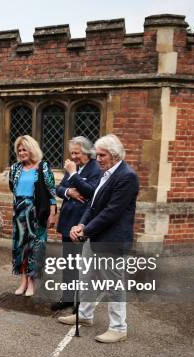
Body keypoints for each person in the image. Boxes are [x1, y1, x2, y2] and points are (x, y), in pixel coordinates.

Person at [58, 134, 139, 343]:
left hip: (111, 240)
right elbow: (93, 206)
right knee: (87, 278)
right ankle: (84, 315)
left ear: (114, 155)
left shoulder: (126, 176)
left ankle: (119, 327)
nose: (98, 158)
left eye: (102, 155)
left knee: (113, 285)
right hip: (94, 237)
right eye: (98, 154)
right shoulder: (106, 173)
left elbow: (111, 212)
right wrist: (81, 225)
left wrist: (85, 231)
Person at [51, 136, 101, 311]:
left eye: (77, 153)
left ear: (87, 152)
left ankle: (80, 302)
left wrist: (73, 175)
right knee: (69, 263)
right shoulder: (74, 166)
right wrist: (68, 192)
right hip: (67, 220)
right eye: (71, 153)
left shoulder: (96, 168)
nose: (73, 156)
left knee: (82, 265)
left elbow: (92, 192)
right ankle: (67, 297)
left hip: (82, 222)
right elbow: (58, 188)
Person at [8, 135, 56, 297]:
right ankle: (23, 281)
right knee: (21, 248)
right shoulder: (15, 168)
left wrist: (52, 213)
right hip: (20, 213)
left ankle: (32, 283)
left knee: (36, 248)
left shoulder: (42, 167)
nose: (21, 153)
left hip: (38, 213)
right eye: (19, 150)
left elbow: (51, 193)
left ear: (32, 149)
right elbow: (12, 188)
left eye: (24, 149)